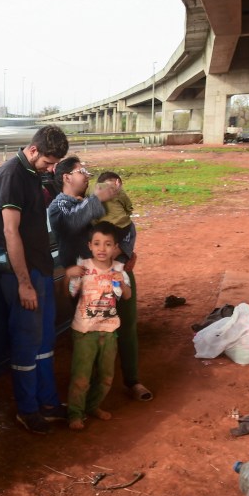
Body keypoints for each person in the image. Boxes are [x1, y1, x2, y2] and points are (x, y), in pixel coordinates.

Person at [0, 125, 70, 434]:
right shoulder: (12, 175)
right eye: (48, 162)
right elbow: (11, 232)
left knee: (44, 341)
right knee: (26, 343)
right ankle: (28, 409)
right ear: (33, 150)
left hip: (42, 269)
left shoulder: (34, 174)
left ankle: (48, 402)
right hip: (25, 274)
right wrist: (24, 282)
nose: (51, 169)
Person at [48, 156, 153, 402]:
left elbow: (127, 226)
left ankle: (132, 380)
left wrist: (126, 252)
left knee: (126, 327)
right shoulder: (59, 207)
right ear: (66, 177)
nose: (87, 175)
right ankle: (89, 394)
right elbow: (72, 224)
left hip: (118, 273)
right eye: (81, 171)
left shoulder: (93, 204)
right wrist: (98, 199)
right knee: (90, 335)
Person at [63, 222, 130, 430]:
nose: (102, 249)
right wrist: (68, 275)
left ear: (115, 247)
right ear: (90, 245)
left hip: (109, 331)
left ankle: (92, 406)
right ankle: (75, 413)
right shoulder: (83, 268)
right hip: (84, 330)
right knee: (81, 377)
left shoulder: (119, 269)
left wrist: (122, 282)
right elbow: (70, 293)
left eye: (108, 244)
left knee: (106, 377)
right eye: (97, 243)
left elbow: (127, 296)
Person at [93, 171, 136, 260]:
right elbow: (128, 207)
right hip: (118, 229)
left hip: (99, 230)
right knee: (130, 227)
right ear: (118, 182)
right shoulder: (119, 191)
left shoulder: (92, 192)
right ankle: (122, 253)